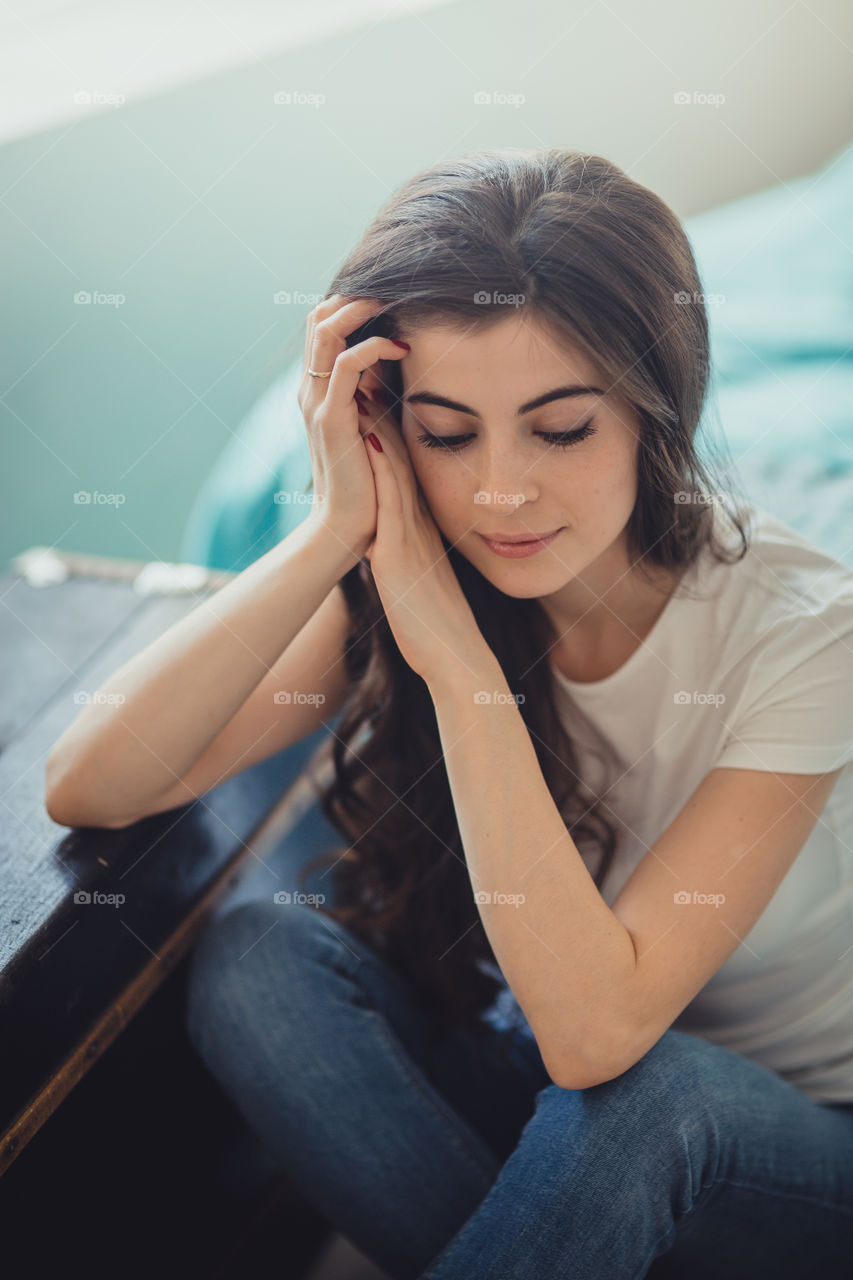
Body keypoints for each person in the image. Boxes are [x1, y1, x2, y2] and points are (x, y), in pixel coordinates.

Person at [49, 147, 853, 1278]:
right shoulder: (422, 556)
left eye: (560, 427)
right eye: (447, 431)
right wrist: (336, 527)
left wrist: (457, 661)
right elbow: (93, 778)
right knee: (261, 958)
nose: (498, 493)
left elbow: (595, 1039)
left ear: (651, 410)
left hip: (794, 1138)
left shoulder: (808, 628)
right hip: (566, 1093)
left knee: (653, 1095)